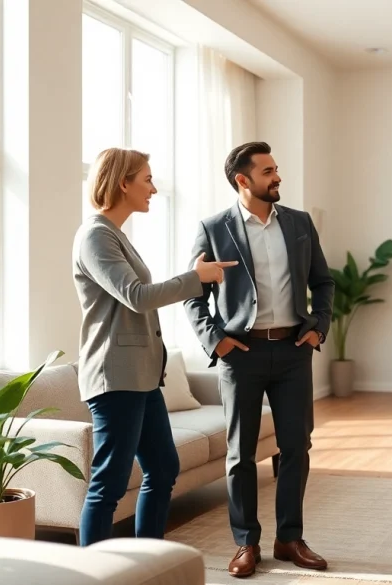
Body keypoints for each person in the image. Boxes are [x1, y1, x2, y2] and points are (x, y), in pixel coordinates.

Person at [72, 147, 240, 546]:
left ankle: (148, 559)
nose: (153, 188)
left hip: (142, 378)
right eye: (146, 179)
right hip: (116, 379)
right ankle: (92, 573)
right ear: (123, 182)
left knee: (163, 469)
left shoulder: (115, 236)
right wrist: (195, 278)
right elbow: (137, 295)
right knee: (109, 484)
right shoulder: (95, 236)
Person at [182, 141, 334, 579]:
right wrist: (215, 341)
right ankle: (246, 542)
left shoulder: (300, 224)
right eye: (268, 171)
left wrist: (317, 327)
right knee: (240, 453)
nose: (278, 177)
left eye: (277, 169)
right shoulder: (214, 228)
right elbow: (195, 295)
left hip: (292, 351)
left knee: (296, 447)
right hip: (241, 353)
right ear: (243, 180)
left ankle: (289, 538)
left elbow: (323, 283)